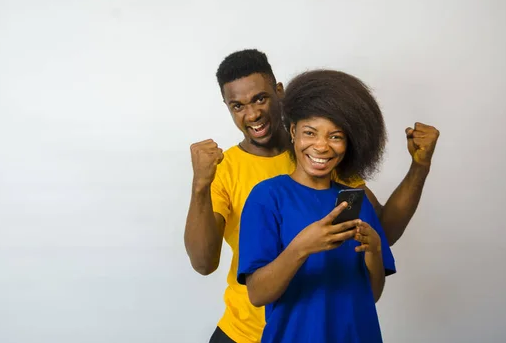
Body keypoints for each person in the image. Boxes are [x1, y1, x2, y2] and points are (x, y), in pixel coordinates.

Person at [184, 50, 439, 343]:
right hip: (245, 332)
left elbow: (382, 231)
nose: (252, 114)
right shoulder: (226, 171)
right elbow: (204, 264)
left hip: (323, 330)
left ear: (279, 92)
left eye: (260, 99)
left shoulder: (324, 158)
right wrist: (200, 185)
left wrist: (419, 167)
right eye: (237, 105)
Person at [237, 69, 394, 343]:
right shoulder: (268, 196)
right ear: (293, 131)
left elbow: (372, 294)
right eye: (310, 133)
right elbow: (257, 294)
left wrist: (375, 251)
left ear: (349, 143)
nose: (321, 147)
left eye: (335, 136)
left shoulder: (355, 199)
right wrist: (302, 247)